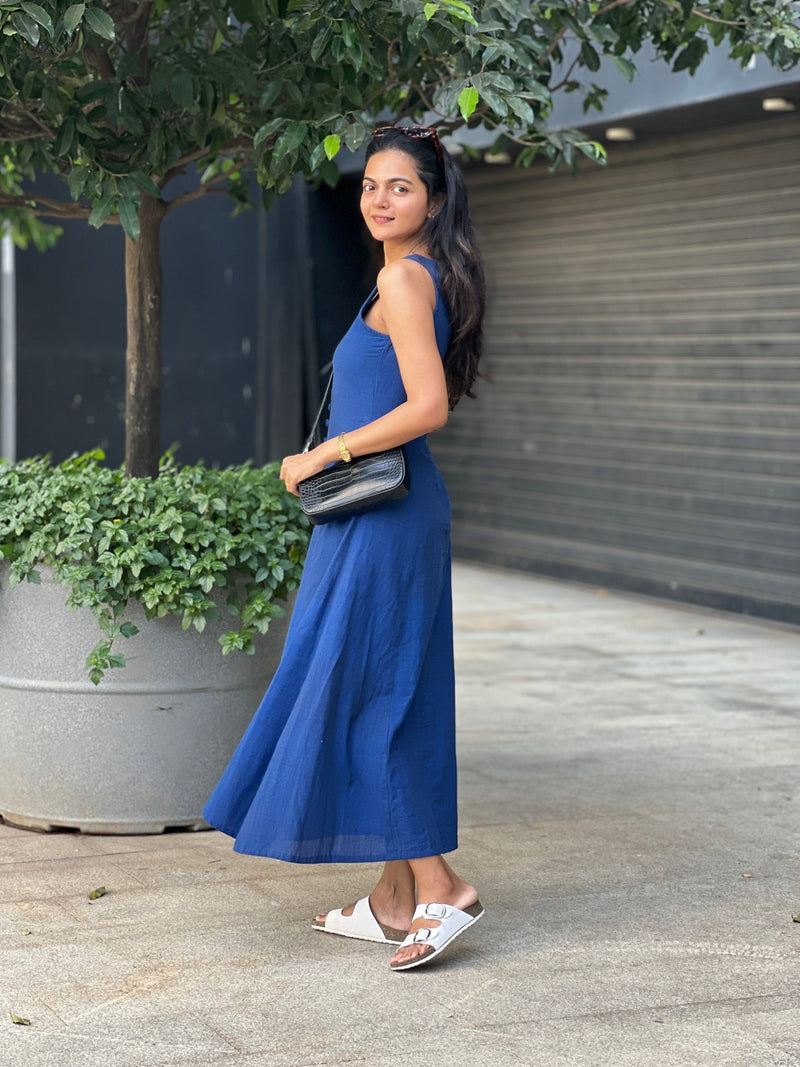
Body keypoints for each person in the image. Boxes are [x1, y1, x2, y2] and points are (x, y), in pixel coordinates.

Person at [203, 124, 486, 971]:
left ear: (432, 198)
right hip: (383, 516)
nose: (378, 198)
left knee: (366, 695)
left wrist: (324, 451)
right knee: (380, 686)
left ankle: (441, 887)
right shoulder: (411, 276)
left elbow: (428, 406)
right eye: (369, 184)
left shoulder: (405, 278)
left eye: (398, 185)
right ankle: (395, 899)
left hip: (384, 518)